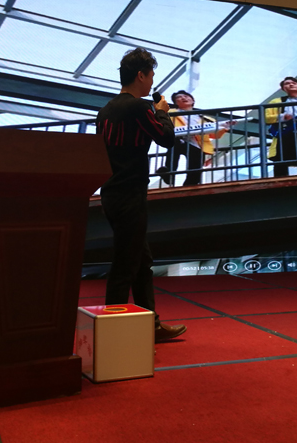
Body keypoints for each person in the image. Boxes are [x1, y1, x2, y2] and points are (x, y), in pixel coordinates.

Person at [96, 48, 187, 343]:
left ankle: (150, 323)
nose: (151, 83)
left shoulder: (105, 110)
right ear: (140, 75)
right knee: (125, 264)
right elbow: (166, 138)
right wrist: (162, 112)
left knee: (140, 260)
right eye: (151, 76)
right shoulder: (138, 107)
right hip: (130, 193)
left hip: (111, 192)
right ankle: (113, 335)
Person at [156, 90, 230, 186]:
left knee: (195, 171)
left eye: (186, 96)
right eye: (179, 97)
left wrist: (225, 127)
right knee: (174, 145)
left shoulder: (204, 118)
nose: (183, 98)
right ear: (176, 103)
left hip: (197, 145)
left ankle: (188, 187)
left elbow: (214, 134)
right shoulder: (170, 113)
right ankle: (169, 173)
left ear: (193, 100)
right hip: (179, 140)